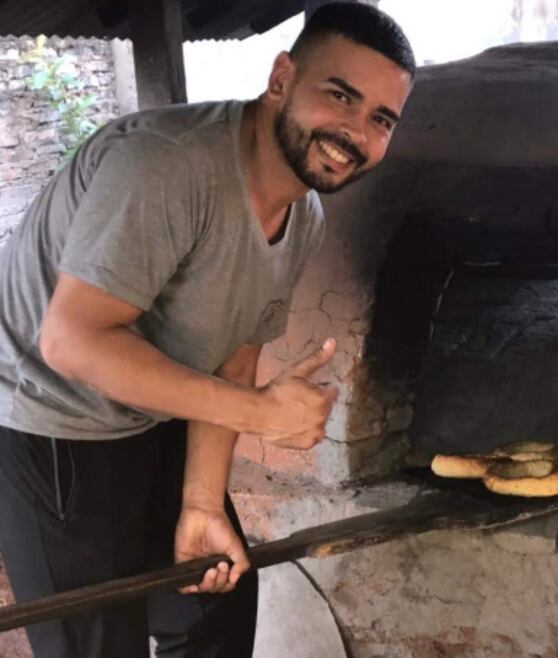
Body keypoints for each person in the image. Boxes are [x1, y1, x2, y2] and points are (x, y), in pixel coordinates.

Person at [0, 3, 415, 656]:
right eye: (340, 95)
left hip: (148, 407)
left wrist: (200, 505)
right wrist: (261, 415)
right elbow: (71, 341)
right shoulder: (166, 166)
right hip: (51, 420)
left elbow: (234, 357)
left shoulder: (302, 217)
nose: (355, 132)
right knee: (99, 642)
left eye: (381, 119)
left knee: (213, 600)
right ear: (281, 79)